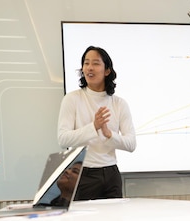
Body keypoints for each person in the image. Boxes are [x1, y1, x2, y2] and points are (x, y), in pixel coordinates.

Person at [57, 46, 136, 200]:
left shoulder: (119, 103)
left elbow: (131, 144)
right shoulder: (72, 99)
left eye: (96, 63)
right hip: (82, 174)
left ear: (107, 70)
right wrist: (94, 127)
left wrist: (109, 134)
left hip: (111, 174)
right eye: (86, 63)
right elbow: (63, 139)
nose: (89, 68)